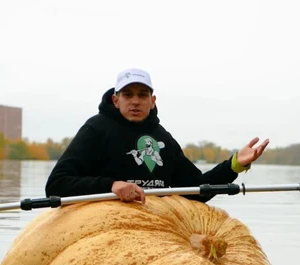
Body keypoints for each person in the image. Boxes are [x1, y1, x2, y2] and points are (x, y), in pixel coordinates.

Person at [45, 68, 269, 204]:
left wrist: (234, 165)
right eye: (128, 94)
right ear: (116, 100)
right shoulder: (96, 129)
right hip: (104, 227)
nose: (135, 101)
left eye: (142, 95)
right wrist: (110, 185)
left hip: (157, 228)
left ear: (152, 101)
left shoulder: (163, 138)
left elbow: (196, 190)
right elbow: (57, 185)